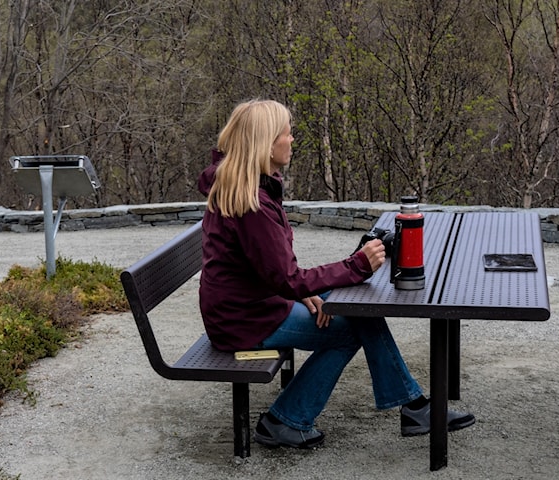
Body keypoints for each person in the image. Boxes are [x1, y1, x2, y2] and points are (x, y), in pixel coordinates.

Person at [196, 99, 475, 449]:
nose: (292, 140)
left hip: (254, 304)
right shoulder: (253, 204)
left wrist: (298, 289)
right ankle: (286, 419)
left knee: (354, 306)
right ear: (266, 144)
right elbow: (287, 278)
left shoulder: (249, 187)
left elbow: (274, 272)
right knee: (346, 331)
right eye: (287, 133)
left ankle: (414, 406)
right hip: (246, 319)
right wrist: (355, 265)